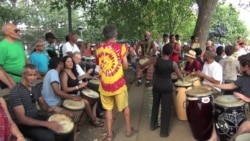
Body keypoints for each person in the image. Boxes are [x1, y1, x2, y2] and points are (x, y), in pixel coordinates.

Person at [8, 64, 74, 141]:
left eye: (35, 75)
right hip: (23, 125)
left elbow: (43, 105)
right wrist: (47, 124)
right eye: (30, 75)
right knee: (49, 137)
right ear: (23, 75)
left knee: (67, 127)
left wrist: (59, 111)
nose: (33, 78)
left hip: (36, 117)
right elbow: (22, 119)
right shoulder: (16, 92)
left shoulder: (35, 87)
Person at [96, 24, 137, 141]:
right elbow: (125, 66)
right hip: (118, 84)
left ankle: (109, 135)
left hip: (104, 85)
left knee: (108, 109)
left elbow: (100, 65)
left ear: (104, 35)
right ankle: (129, 131)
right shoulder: (121, 47)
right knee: (125, 107)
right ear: (115, 35)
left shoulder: (98, 48)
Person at [207, 53, 250, 141]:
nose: (240, 67)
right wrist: (213, 85)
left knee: (244, 128)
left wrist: (247, 99)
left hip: (247, 109)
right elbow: (231, 85)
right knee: (218, 113)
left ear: (246, 66)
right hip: (244, 109)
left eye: (241, 65)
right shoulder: (244, 77)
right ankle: (214, 137)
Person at [60, 56, 103, 127]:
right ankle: (93, 120)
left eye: (71, 61)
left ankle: (93, 117)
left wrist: (83, 85)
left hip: (76, 93)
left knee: (93, 97)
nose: (70, 63)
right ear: (64, 63)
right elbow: (65, 89)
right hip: (69, 96)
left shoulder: (72, 71)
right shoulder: (64, 74)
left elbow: (75, 82)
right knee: (86, 102)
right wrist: (78, 87)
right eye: (68, 61)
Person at [150, 44, 183, 137]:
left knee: (155, 105)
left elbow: (144, 63)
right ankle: (164, 132)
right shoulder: (173, 63)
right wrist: (183, 79)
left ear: (162, 51)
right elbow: (180, 77)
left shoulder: (156, 60)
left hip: (156, 86)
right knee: (166, 109)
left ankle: (153, 125)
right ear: (171, 53)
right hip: (167, 87)